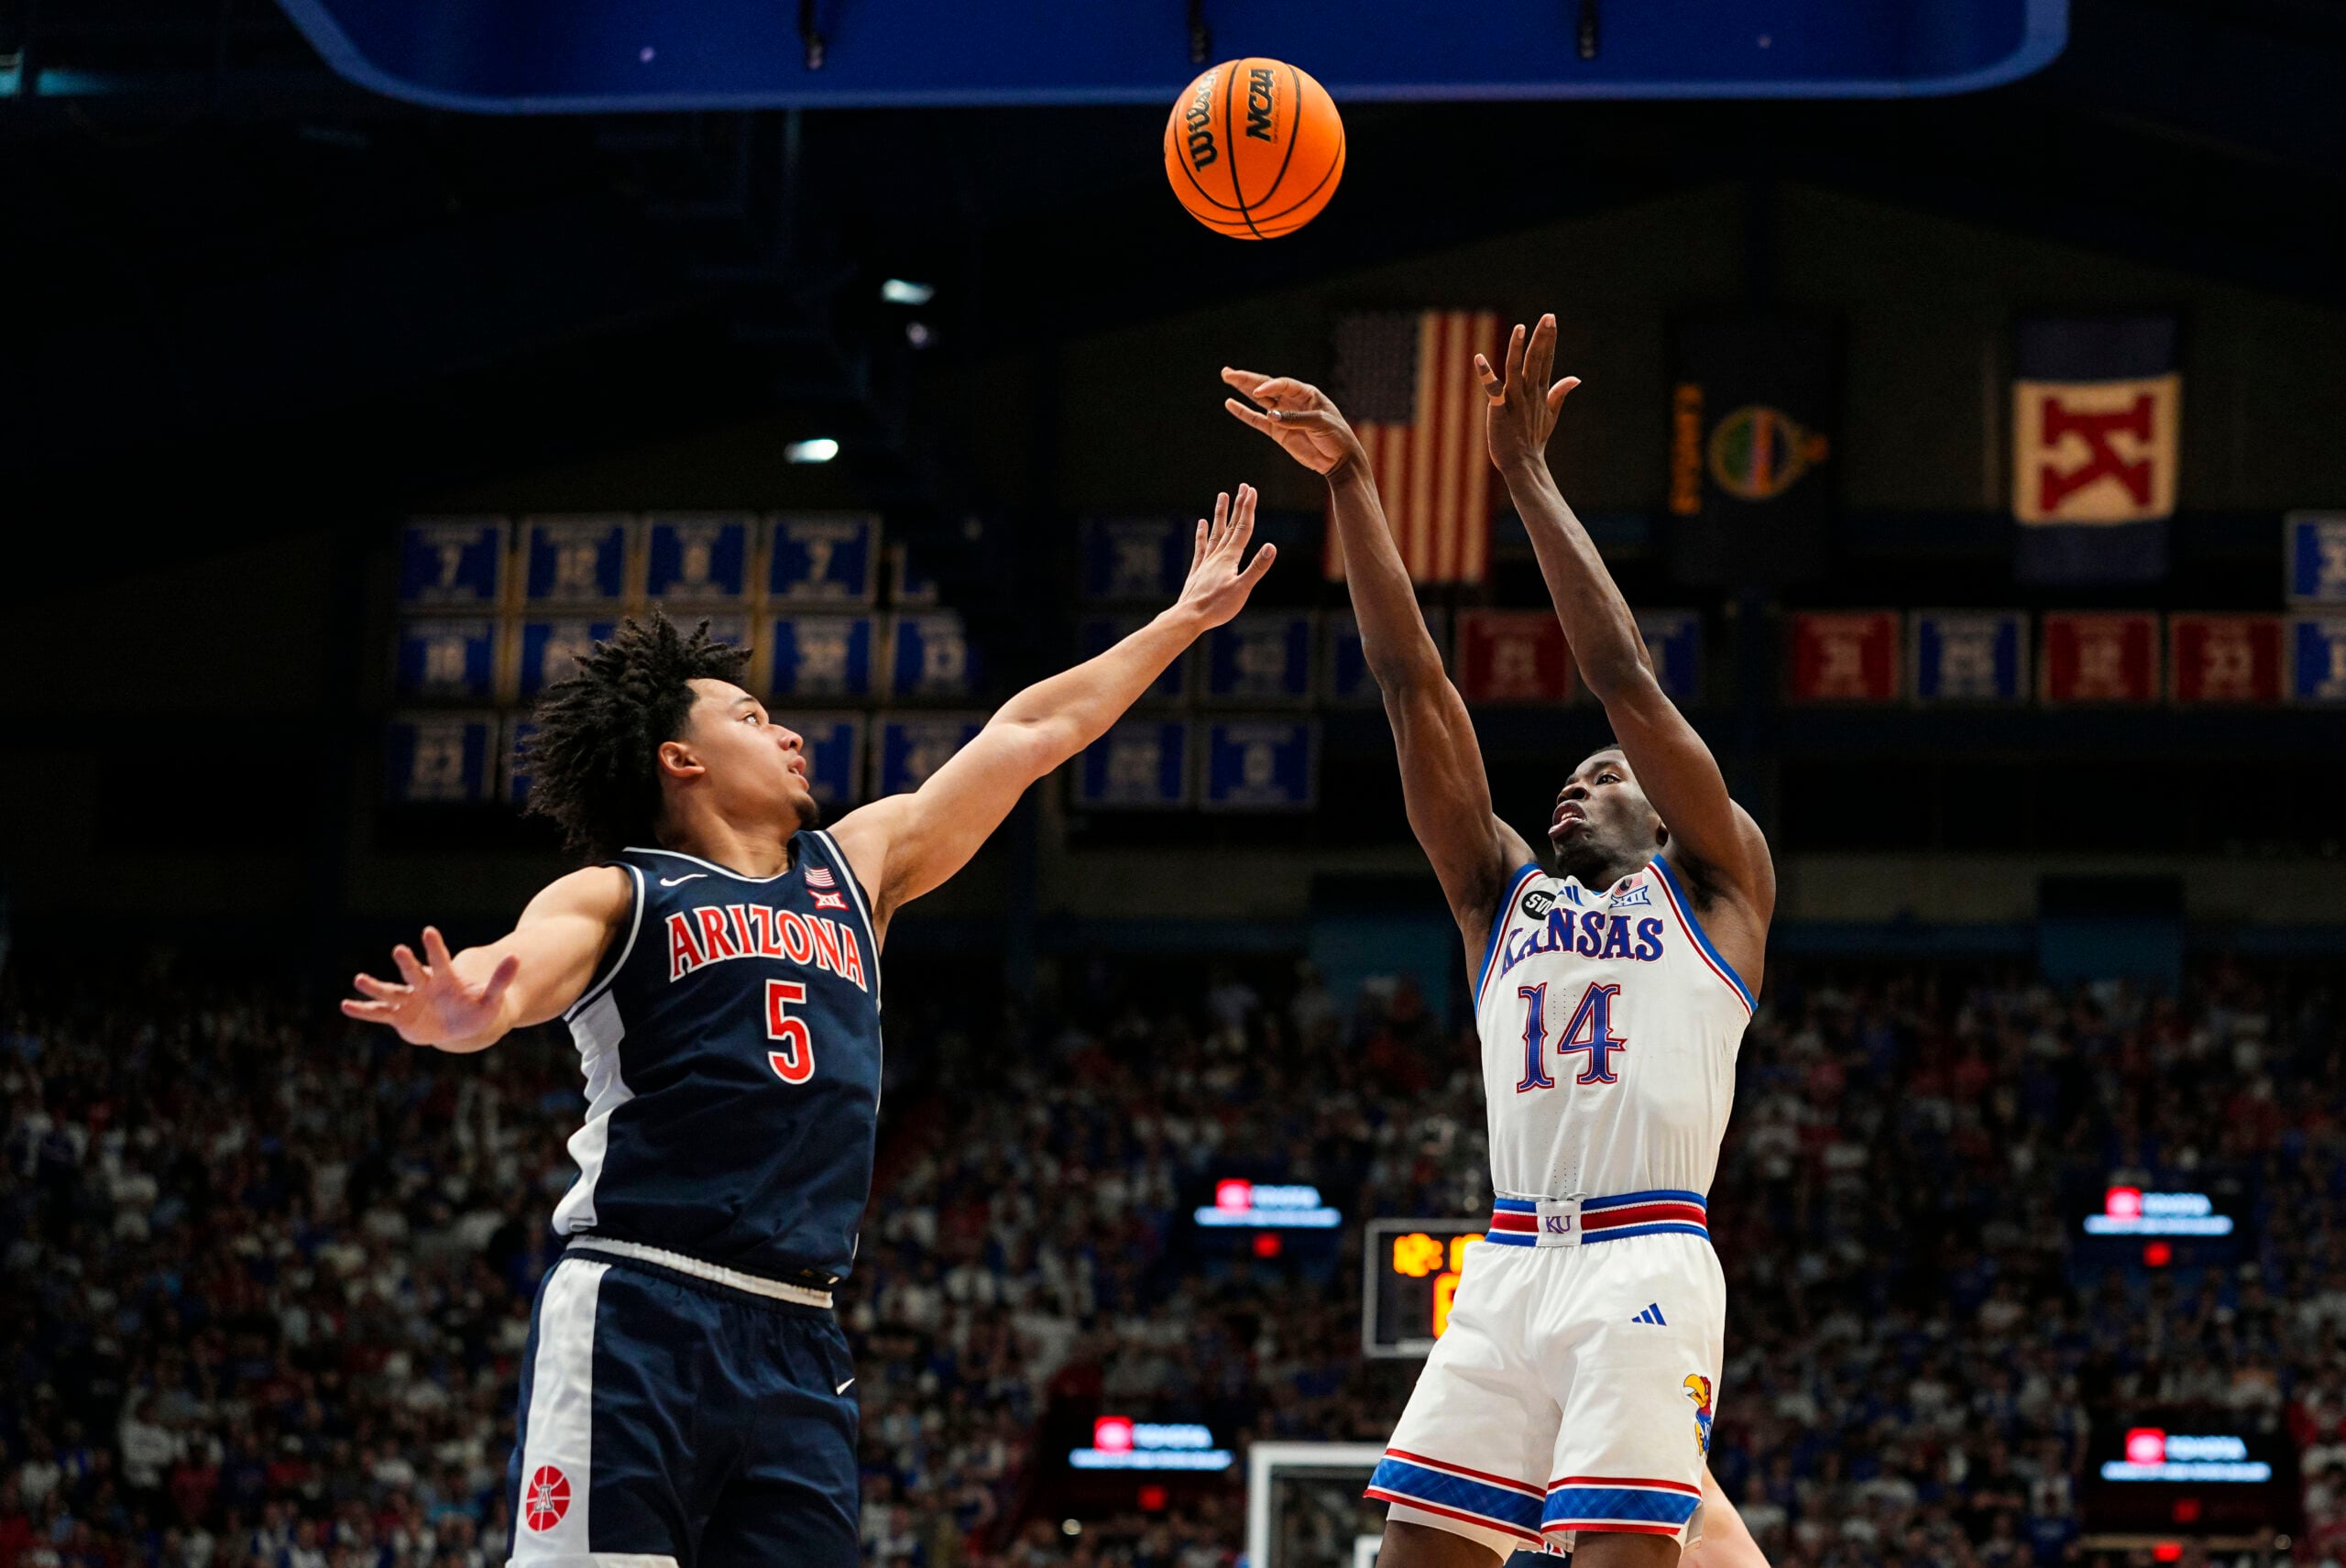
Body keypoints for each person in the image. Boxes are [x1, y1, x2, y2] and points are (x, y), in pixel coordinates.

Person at [341, 490, 1276, 1568]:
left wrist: (1182, 620)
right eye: (745, 717)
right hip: (641, 1304)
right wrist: (461, 1009)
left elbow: (1027, 732)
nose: (784, 730)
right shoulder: (618, 892)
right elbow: (506, 977)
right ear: (677, 761)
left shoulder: (857, 867)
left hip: (799, 1328)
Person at [1224, 316, 1773, 1568]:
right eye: (1568, 781)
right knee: (1416, 1551)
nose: (1573, 790)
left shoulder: (1721, 883)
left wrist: (1525, 475)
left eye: (1601, 776)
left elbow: (1623, 673)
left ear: (1667, 801)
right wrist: (1355, 482)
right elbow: (1410, 678)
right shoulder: (1498, 897)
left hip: (1646, 1255)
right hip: (1511, 1256)